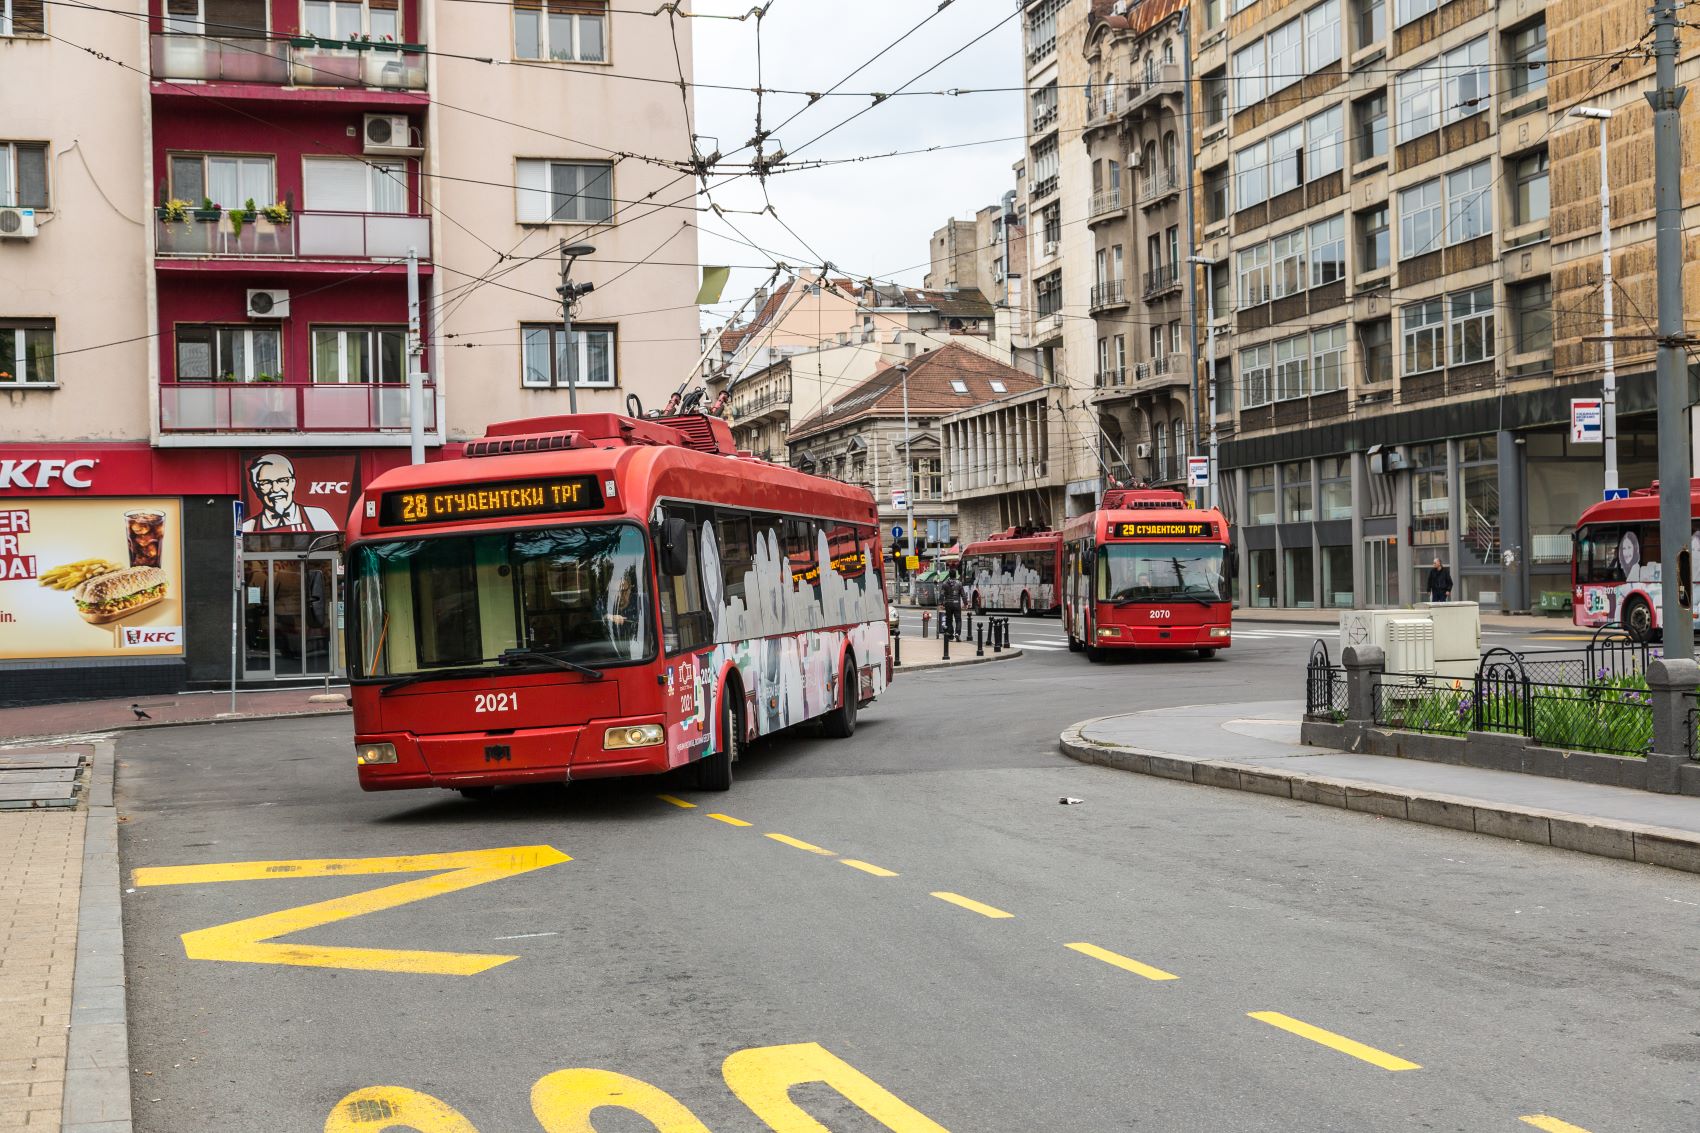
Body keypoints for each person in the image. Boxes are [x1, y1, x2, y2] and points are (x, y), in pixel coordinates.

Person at [939, 565, 965, 641]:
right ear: (955, 575)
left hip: (948, 604)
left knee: (949, 620)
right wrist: (965, 603)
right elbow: (963, 594)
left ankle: (950, 634)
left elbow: (942, 594)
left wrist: (941, 603)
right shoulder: (959, 583)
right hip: (956, 604)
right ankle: (957, 633)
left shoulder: (944, 584)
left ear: (949, 575)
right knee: (958, 619)